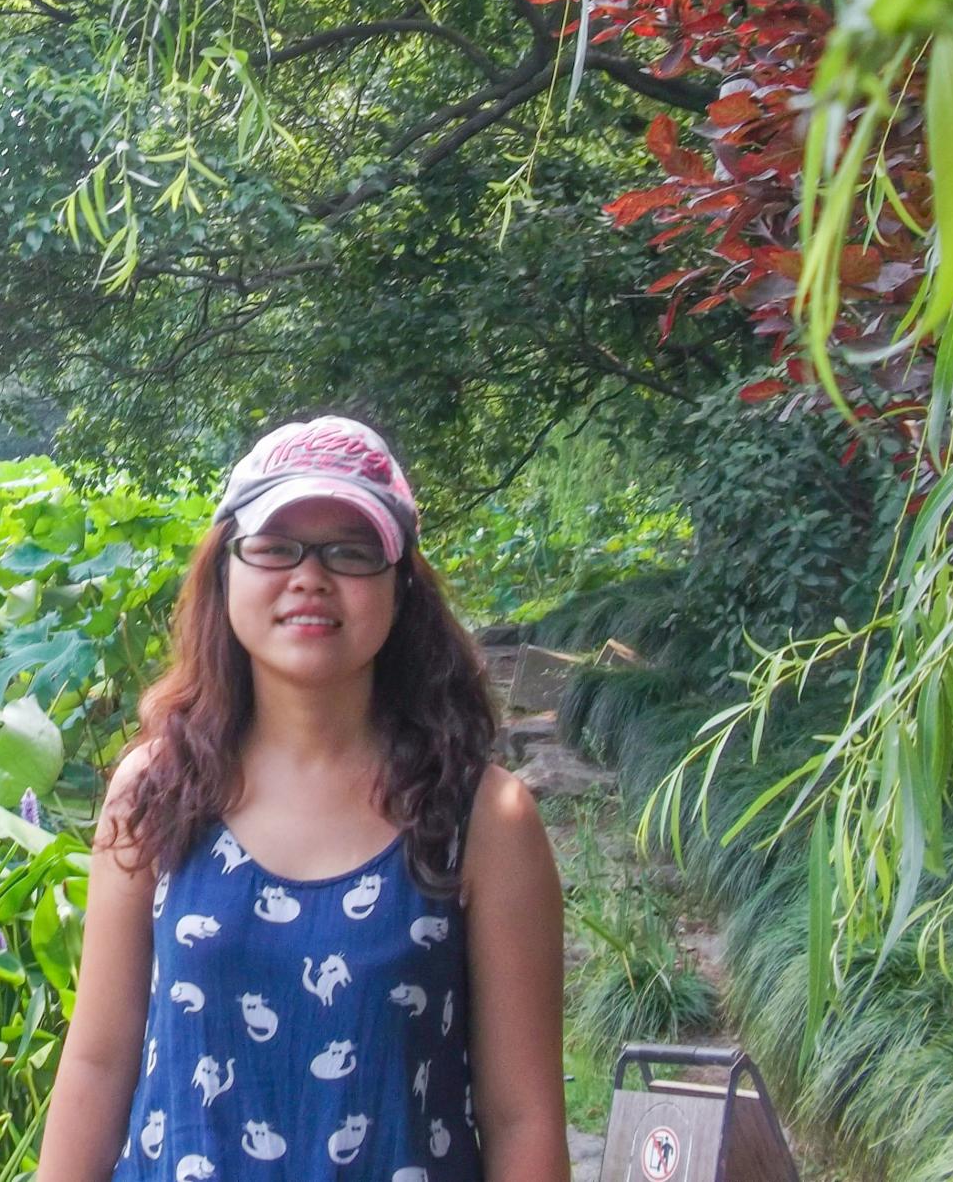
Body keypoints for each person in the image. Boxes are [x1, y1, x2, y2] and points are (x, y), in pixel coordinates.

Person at [35, 415, 570, 1180]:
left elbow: (523, 1118)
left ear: (401, 588)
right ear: (226, 570)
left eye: (351, 552)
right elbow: (96, 1064)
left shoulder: (484, 818)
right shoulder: (156, 790)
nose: (310, 577)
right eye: (276, 546)